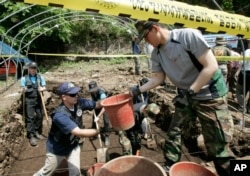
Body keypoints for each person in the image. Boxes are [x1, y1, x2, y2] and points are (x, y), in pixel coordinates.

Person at [132, 21, 235, 176]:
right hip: (186, 96)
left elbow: (211, 66)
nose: (147, 42)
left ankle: (237, 170)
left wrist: (190, 92)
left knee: (218, 146)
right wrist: (136, 90)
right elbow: (158, 79)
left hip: (210, 96)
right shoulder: (157, 53)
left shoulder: (187, 36)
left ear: (155, 28)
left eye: (146, 37)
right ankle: (170, 165)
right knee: (174, 132)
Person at [33, 82, 100, 176]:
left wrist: (109, 101)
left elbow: (97, 104)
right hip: (57, 149)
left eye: (77, 93)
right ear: (64, 97)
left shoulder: (79, 102)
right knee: (47, 172)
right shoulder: (59, 115)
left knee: (75, 173)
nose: (76, 96)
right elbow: (78, 132)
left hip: (73, 146)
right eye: (72, 94)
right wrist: (98, 131)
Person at [20, 62, 46, 146]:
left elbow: (44, 87)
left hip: (38, 99)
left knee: (40, 116)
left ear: (36, 69)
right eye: (31, 68)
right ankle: (31, 135)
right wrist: (23, 89)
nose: (33, 70)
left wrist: (42, 88)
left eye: (34, 68)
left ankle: (37, 132)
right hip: (29, 100)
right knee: (30, 118)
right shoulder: (24, 78)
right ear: (29, 69)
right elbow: (22, 88)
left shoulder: (40, 77)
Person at [88, 80, 111, 147]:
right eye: (91, 90)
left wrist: (98, 116)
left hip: (106, 105)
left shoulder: (102, 93)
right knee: (94, 119)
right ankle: (93, 131)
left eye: (94, 90)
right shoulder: (92, 92)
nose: (93, 91)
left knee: (106, 120)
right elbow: (94, 101)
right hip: (98, 104)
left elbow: (104, 106)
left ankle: (107, 136)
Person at [236, 39, 250, 113]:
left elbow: (242, 62)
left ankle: (242, 107)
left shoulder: (247, 51)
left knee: (240, 91)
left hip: (246, 73)